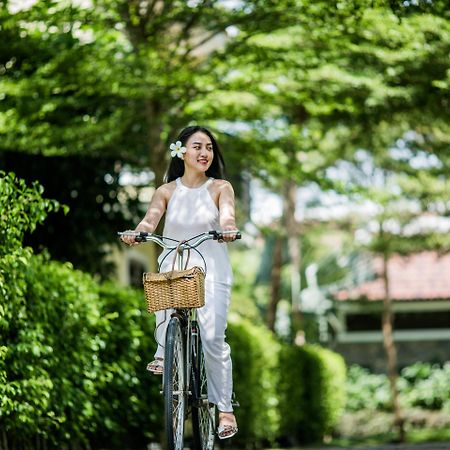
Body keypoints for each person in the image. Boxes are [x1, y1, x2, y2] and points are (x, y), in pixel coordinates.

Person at [121, 125, 238, 439]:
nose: (204, 153)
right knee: (164, 291)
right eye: (197, 146)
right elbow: (150, 219)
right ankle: (164, 351)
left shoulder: (220, 187)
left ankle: (224, 409)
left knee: (213, 338)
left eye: (209, 148)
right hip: (176, 266)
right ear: (181, 151)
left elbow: (227, 215)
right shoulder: (166, 191)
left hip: (212, 269)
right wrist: (138, 232)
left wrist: (228, 228)